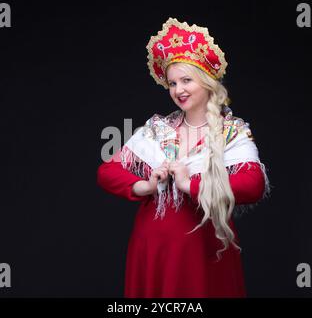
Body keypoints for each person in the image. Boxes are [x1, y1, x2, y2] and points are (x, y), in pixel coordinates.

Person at [97, 18, 270, 298]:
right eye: (173, 83)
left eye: (186, 80)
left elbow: (253, 185)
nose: (178, 90)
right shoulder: (157, 129)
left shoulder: (231, 131)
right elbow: (107, 172)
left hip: (203, 253)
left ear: (206, 81)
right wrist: (146, 187)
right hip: (151, 250)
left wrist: (192, 185)